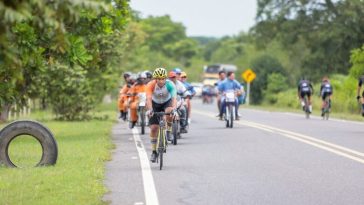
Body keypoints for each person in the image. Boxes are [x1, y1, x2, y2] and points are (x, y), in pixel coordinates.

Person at [146, 68, 177, 163]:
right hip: (154, 104)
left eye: (163, 78)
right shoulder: (150, 85)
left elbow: (174, 98)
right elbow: (148, 98)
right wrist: (150, 110)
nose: (160, 81)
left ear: (165, 78)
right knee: (154, 128)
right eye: (158, 79)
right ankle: (154, 151)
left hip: (166, 102)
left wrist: (175, 110)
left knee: (169, 111)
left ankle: (168, 130)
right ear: (155, 79)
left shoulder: (170, 84)